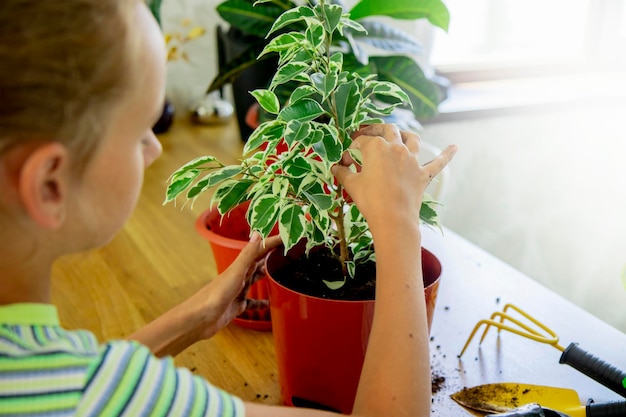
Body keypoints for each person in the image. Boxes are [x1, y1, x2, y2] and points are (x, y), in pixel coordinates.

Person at [0, 0, 457, 416]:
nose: (155, 150)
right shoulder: (101, 393)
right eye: (141, 130)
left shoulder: (56, 381)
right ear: (49, 185)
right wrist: (398, 226)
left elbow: (92, 383)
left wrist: (190, 320)